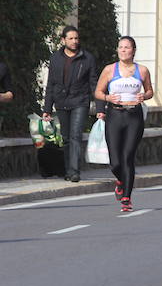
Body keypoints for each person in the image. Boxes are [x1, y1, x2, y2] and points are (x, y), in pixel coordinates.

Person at [94, 37, 154, 212]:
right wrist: (107, 98)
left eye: (127, 48)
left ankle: (126, 197)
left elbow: (150, 91)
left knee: (128, 156)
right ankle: (120, 180)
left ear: (133, 50)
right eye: (120, 47)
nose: (123, 50)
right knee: (115, 162)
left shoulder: (142, 71)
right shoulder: (109, 70)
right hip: (114, 114)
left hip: (133, 116)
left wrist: (145, 96)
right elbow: (98, 91)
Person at [42, 26, 98, 182]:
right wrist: (47, 108)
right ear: (63, 40)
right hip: (61, 102)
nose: (74, 41)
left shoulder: (87, 58)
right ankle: (67, 170)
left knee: (75, 136)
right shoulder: (55, 58)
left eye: (76, 38)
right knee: (65, 137)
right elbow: (51, 84)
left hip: (80, 101)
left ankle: (74, 171)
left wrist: (100, 106)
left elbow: (94, 83)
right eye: (71, 38)